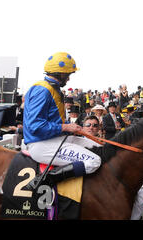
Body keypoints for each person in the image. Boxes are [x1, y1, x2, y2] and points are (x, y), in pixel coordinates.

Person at [24, 52, 102, 190]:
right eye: (67, 75)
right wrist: (65, 127)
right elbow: (34, 126)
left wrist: (73, 128)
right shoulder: (42, 90)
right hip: (40, 144)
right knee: (94, 161)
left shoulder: (54, 89)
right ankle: (46, 179)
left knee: (98, 146)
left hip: (54, 140)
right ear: (59, 74)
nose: (68, 79)